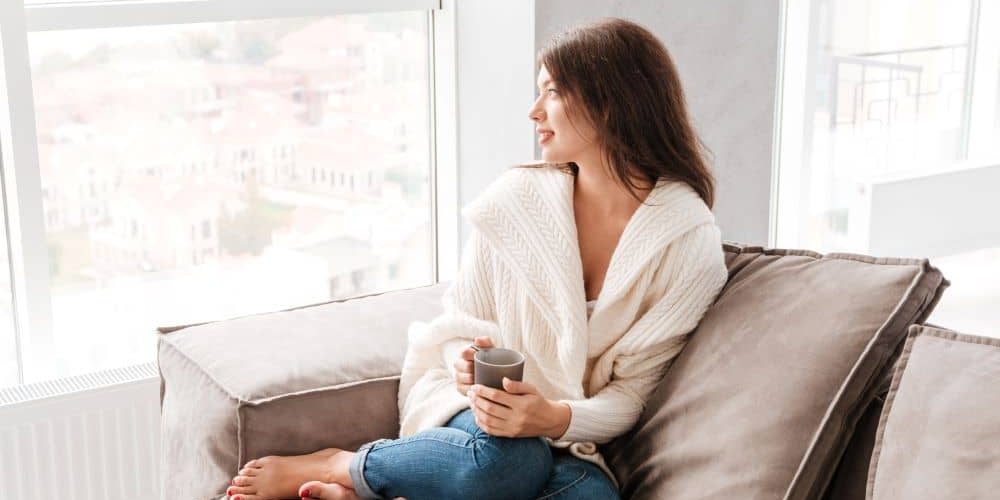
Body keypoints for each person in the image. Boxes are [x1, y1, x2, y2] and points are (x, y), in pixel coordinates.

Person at [224, 17, 728, 500]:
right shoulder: (515, 204)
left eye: (551, 91)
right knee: (511, 461)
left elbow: (633, 395)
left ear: (611, 102)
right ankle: (342, 465)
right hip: (469, 412)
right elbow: (456, 327)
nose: (534, 111)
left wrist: (552, 417)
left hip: (570, 436)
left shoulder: (684, 241)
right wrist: (464, 366)